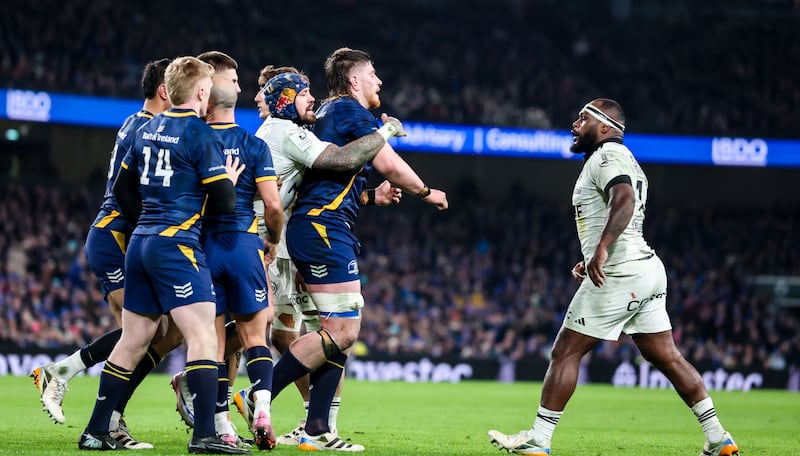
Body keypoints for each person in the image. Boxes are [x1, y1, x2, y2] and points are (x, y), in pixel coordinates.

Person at [488, 98, 739, 456]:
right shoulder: (623, 159)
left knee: (565, 352)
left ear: (605, 127)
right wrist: (592, 253)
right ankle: (719, 439)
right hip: (645, 268)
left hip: (620, 270)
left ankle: (538, 440)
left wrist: (602, 249)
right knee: (668, 357)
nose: (574, 124)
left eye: (583, 118)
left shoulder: (607, 156)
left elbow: (624, 199)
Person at [271, 47, 447, 451]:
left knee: (335, 333)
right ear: (354, 81)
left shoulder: (329, 116)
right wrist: (426, 192)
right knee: (344, 330)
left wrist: (370, 196)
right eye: (373, 73)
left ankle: (317, 429)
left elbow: (335, 179)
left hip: (317, 227)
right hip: (323, 230)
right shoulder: (350, 112)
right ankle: (260, 395)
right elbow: (389, 163)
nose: (379, 81)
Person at [78, 56, 248, 455]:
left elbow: (121, 190)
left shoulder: (145, 128)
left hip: (139, 243)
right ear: (202, 92)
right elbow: (224, 202)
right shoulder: (201, 134)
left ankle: (96, 429)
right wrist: (230, 180)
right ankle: (205, 434)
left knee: (134, 338)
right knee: (204, 334)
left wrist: (149, 220)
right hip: (176, 246)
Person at [31, 58, 185, 450]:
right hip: (116, 236)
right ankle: (69, 381)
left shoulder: (142, 125)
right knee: (143, 333)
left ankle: (105, 416)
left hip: (124, 236)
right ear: (165, 91)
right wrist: (152, 228)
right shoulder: (145, 126)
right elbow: (122, 190)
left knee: (161, 334)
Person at [196, 50, 283, 450]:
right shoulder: (253, 145)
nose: (240, 85)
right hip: (246, 244)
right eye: (234, 80)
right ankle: (262, 408)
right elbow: (274, 206)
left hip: (202, 247)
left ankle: (222, 427)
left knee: (212, 346)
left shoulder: (190, 141)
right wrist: (273, 240)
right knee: (254, 336)